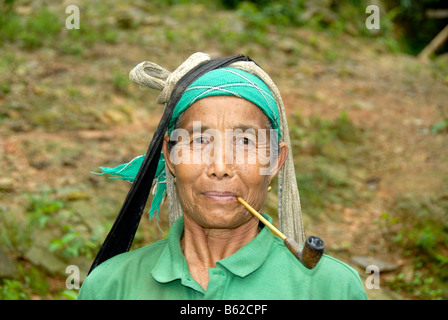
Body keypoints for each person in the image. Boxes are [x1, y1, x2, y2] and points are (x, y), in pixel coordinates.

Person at [77, 53, 367, 300]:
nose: (220, 166)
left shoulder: (333, 289)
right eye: (200, 140)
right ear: (170, 155)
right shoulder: (110, 287)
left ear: (275, 161)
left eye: (245, 142)